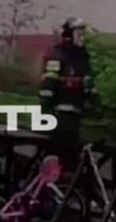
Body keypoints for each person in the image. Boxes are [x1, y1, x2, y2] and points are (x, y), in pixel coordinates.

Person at [38, 17, 94, 169]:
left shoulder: (82, 56)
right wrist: (46, 110)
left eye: (83, 33)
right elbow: (48, 84)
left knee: (72, 154)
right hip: (60, 115)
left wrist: (92, 100)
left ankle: (68, 178)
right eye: (79, 33)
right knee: (60, 153)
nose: (82, 36)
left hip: (76, 114)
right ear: (69, 35)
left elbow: (88, 82)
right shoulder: (58, 55)